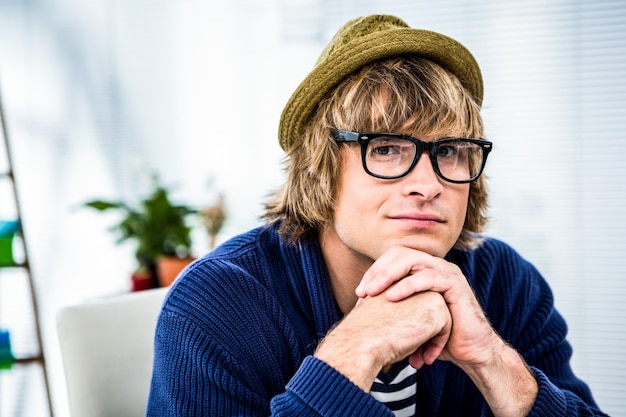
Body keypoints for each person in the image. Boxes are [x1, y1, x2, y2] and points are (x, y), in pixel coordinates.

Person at [147, 14, 607, 417]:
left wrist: (495, 362)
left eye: (449, 151)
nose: (428, 185)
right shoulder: (216, 305)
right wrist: (353, 352)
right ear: (319, 166)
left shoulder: (503, 282)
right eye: (386, 148)